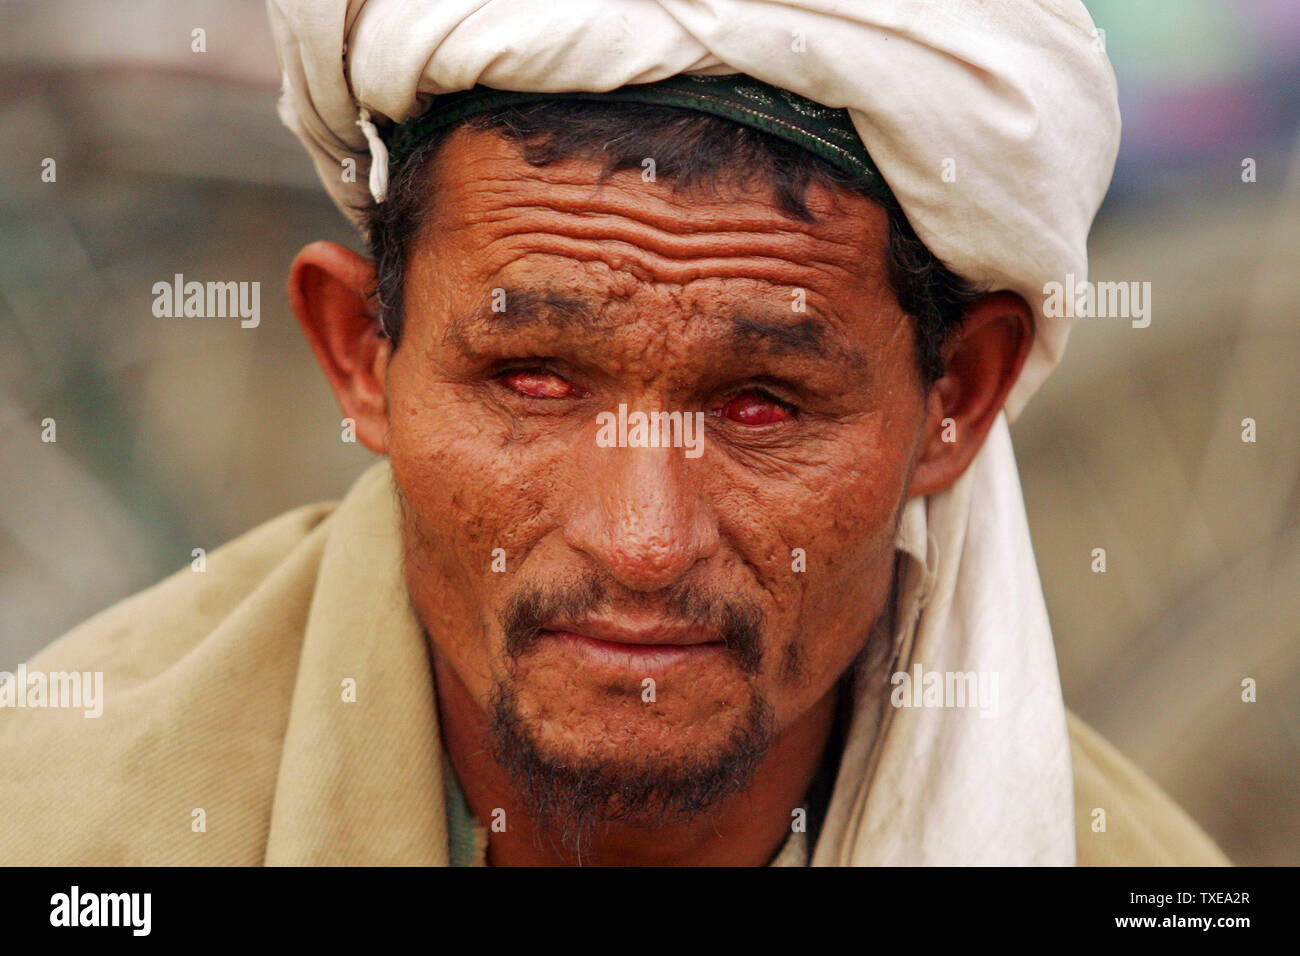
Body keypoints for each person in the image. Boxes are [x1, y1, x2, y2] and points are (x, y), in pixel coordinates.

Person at [0, 0, 1228, 866]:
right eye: (534, 380)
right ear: (359, 356)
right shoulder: (62, 833)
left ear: (956, 394)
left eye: (761, 404)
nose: (642, 538)